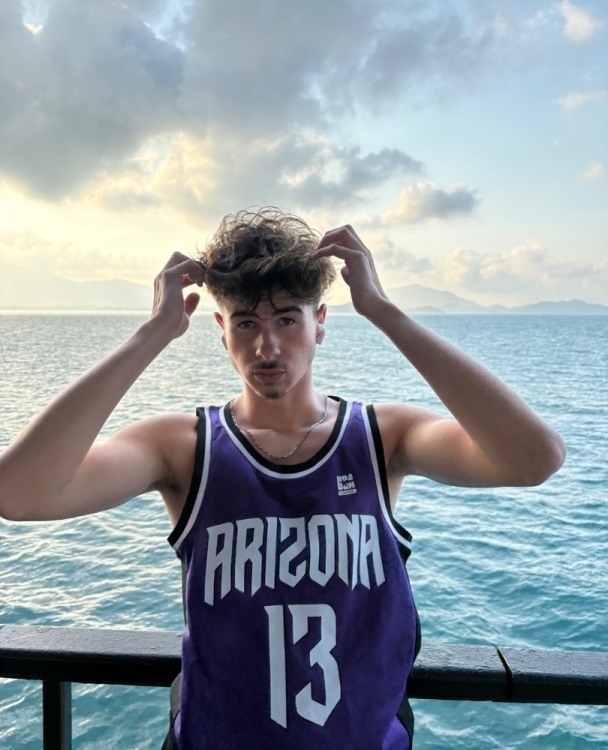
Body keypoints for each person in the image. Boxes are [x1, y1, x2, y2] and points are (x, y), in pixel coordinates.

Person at [0, 208, 565, 750]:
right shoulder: (183, 446)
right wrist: (150, 335)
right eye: (246, 322)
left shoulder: (382, 436)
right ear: (221, 330)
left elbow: (533, 459)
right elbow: (18, 494)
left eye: (287, 319)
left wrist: (384, 311)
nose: (266, 346)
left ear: (320, 324)